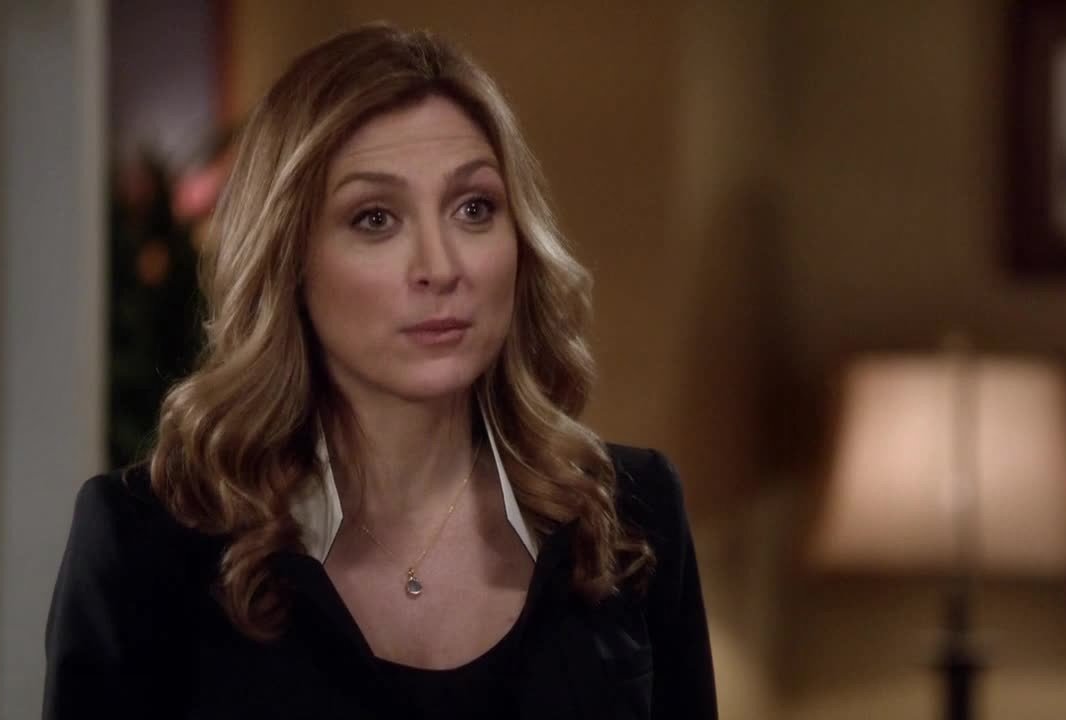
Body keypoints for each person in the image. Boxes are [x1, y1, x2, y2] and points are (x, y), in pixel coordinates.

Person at [42, 22, 717, 720]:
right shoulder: (143, 546)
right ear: (290, 261)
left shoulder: (631, 515)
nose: (441, 267)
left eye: (474, 208)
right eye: (374, 219)